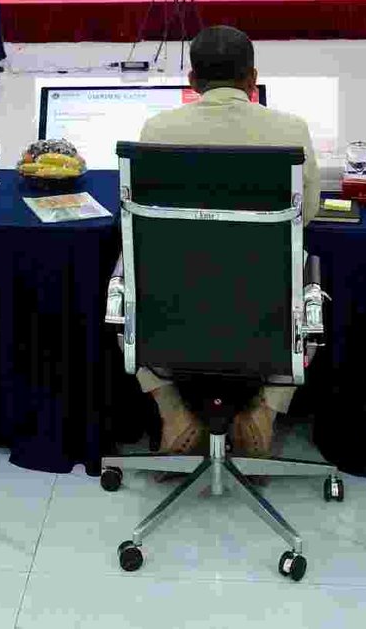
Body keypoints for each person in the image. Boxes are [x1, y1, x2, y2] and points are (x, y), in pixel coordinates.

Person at [128, 25, 320, 460]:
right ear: (253, 80)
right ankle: (265, 413)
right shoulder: (291, 130)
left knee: (127, 275)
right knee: (307, 281)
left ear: (192, 81)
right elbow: (305, 214)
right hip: (265, 299)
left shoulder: (158, 129)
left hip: (172, 299)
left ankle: (174, 411)